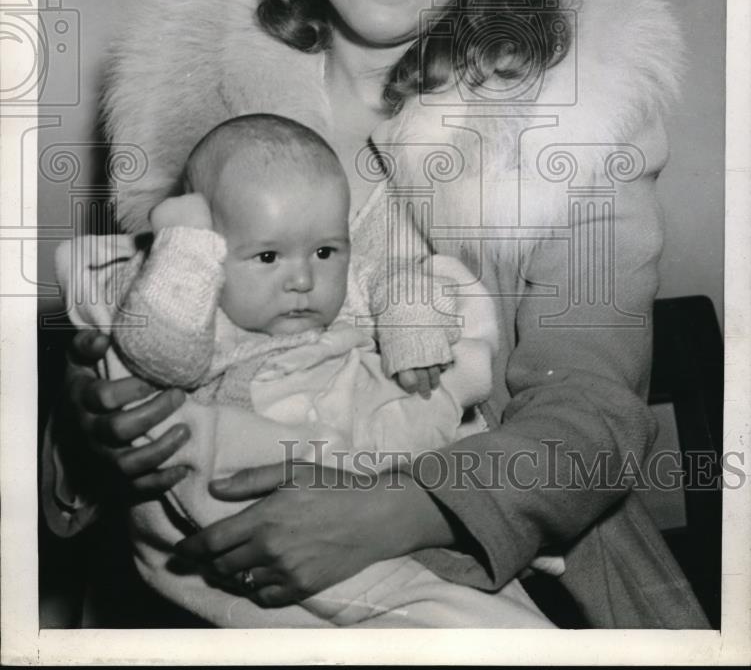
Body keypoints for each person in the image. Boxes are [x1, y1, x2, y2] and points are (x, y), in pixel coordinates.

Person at [46, 0, 708, 628]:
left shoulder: (577, 115)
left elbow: (591, 411)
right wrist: (90, 433)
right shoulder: (187, 98)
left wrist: (400, 510)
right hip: (198, 586)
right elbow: (123, 336)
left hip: (514, 581)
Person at [58, 112, 556, 627]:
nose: (301, 278)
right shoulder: (190, 302)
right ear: (205, 245)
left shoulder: (345, 294)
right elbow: (161, 352)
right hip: (243, 514)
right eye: (268, 256)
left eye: (324, 251)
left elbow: (399, 280)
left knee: (489, 620)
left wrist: (410, 322)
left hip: (377, 492)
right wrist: (181, 249)